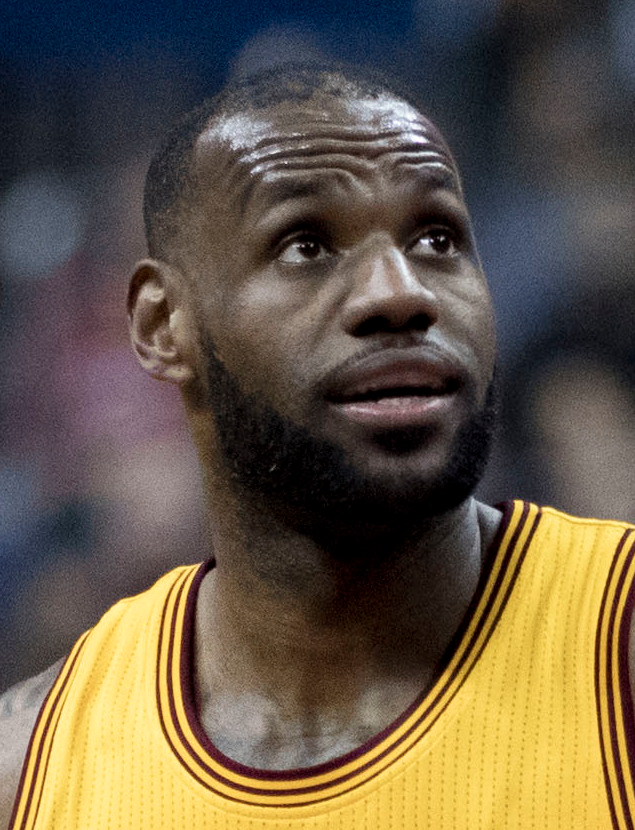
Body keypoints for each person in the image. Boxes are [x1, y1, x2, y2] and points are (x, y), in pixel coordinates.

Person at [1, 63, 634, 829]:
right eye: (305, 247)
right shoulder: (33, 761)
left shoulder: (615, 650)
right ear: (161, 325)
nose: (401, 292)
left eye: (437, 238)